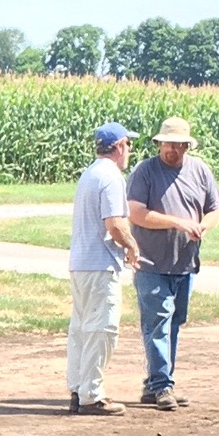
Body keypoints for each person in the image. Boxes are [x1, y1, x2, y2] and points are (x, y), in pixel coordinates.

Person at [126, 117, 219, 410]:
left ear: (186, 145)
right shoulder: (145, 172)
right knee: (158, 323)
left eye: (178, 144)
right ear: (159, 143)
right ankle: (162, 386)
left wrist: (203, 226)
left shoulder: (200, 171)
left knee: (174, 323)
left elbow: (215, 208)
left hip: (185, 263)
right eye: (167, 143)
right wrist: (179, 223)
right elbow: (136, 213)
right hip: (151, 262)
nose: (172, 149)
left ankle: (156, 382)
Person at [66, 121, 141, 416]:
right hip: (99, 265)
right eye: (129, 145)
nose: (130, 152)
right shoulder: (111, 177)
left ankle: (78, 388)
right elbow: (114, 222)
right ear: (120, 146)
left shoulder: (89, 173)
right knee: (102, 330)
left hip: (81, 263)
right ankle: (91, 394)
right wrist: (132, 246)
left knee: (81, 330)